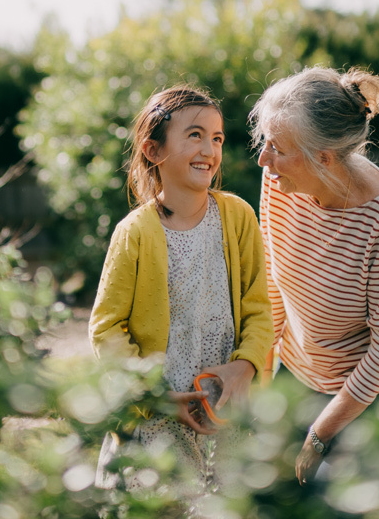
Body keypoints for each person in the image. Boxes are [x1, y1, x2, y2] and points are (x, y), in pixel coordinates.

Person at [250, 66, 379, 485]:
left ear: (324, 158)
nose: (263, 159)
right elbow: (275, 276)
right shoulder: (279, 180)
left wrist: (319, 435)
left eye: (276, 147)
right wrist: (260, 367)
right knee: (267, 479)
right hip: (304, 363)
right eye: (265, 143)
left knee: (335, 493)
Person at [89, 85, 273, 492]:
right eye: (195, 135)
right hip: (161, 414)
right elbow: (106, 329)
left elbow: (260, 309)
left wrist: (244, 368)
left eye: (217, 138)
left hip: (227, 410)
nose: (209, 148)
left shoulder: (238, 218)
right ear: (153, 151)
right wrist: (155, 396)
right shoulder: (133, 233)